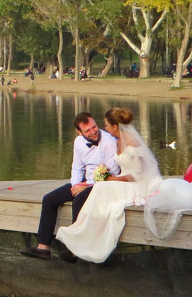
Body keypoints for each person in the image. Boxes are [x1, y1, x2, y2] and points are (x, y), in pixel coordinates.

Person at [55, 107, 161, 263]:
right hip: (120, 181)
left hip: (136, 185)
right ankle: (81, 236)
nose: (104, 128)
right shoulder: (118, 141)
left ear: (115, 127)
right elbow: (77, 167)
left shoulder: (133, 142)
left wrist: (114, 180)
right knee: (100, 190)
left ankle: (84, 238)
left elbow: (138, 174)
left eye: (106, 125)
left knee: (100, 188)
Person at [22, 112, 119, 260]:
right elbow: (76, 167)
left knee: (79, 200)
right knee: (49, 199)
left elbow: (113, 171)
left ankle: (75, 250)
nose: (93, 131)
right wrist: (75, 185)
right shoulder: (78, 142)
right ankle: (43, 247)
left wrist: (85, 186)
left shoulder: (109, 141)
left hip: (105, 184)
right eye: (88, 130)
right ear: (79, 132)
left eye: (94, 127)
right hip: (84, 182)